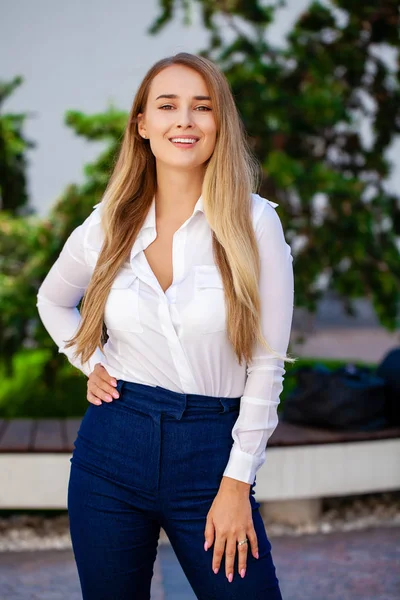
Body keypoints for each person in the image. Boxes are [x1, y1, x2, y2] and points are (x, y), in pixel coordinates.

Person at [36, 52, 294, 600]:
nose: (185, 120)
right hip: (112, 446)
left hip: (210, 454)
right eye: (168, 106)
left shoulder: (255, 223)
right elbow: (53, 300)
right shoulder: (108, 222)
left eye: (202, 107)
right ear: (143, 125)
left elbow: (267, 365)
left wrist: (235, 483)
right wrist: (90, 360)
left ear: (218, 124)